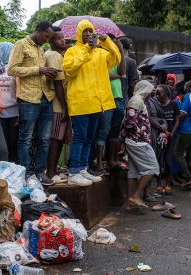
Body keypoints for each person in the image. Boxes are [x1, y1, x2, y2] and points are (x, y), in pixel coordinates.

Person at [62, 19, 121, 186]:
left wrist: (107, 41)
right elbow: (69, 69)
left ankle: (83, 168)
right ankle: (74, 171)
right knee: (79, 137)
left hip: (97, 102)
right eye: (85, 31)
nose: (88, 34)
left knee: (89, 138)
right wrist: (87, 49)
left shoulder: (101, 52)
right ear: (79, 33)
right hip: (80, 101)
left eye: (91, 31)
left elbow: (115, 58)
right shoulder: (72, 51)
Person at [8, 21, 58, 185]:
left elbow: (40, 73)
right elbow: (12, 70)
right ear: (38, 31)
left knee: (44, 139)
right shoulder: (21, 45)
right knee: (26, 139)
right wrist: (39, 69)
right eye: (46, 36)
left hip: (45, 98)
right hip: (28, 99)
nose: (47, 39)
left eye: (50, 37)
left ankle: (39, 172)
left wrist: (49, 73)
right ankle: (26, 174)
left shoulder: (41, 50)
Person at [89, 33, 126, 173]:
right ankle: (99, 163)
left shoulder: (114, 57)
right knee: (103, 131)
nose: (113, 42)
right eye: (111, 40)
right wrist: (119, 76)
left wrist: (121, 51)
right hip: (105, 98)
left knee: (115, 132)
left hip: (118, 98)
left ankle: (111, 161)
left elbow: (123, 71)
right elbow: (104, 74)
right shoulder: (99, 54)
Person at [120, 80, 160, 211]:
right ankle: (136, 196)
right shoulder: (136, 100)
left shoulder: (138, 100)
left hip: (134, 140)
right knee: (153, 168)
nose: (151, 93)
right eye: (150, 90)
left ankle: (130, 203)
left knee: (133, 172)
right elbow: (130, 122)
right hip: (138, 141)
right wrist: (138, 136)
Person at [44, 26, 69, 183]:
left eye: (63, 38)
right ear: (51, 40)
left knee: (58, 138)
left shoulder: (55, 54)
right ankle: (51, 172)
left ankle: (52, 169)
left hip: (56, 103)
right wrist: (64, 106)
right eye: (59, 38)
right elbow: (58, 83)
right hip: (57, 104)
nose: (63, 40)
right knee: (56, 139)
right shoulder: (53, 55)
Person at [0, 42, 19, 163]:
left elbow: (20, 91)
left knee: (13, 142)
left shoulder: (15, 70)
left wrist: (21, 113)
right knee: (2, 145)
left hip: (14, 112)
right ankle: (3, 168)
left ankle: (12, 168)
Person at [155, 84, 180, 195]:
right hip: (159, 137)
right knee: (159, 160)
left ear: (165, 93)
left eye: (159, 93)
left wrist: (171, 133)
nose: (157, 96)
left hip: (171, 137)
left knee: (168, 160)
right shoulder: (156, 105)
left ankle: (168, 184)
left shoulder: (174, 104)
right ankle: (159, 185)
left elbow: (177, 120)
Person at [119, 38, 138, 107]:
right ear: (129, 48)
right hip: (124, 98)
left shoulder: (112, 60)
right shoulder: (131, 62)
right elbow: (132, 84)